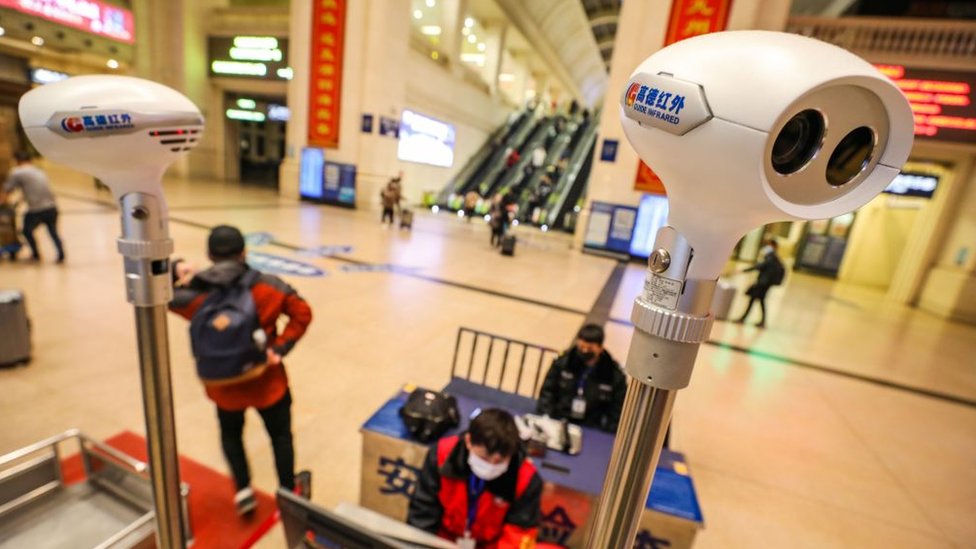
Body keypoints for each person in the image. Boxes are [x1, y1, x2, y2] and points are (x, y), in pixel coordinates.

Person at [168, 225, 313, 516]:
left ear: (209, 254)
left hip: (222, 386)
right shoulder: (268, 286)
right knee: (280, 437)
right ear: (244, 252)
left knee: (231, 434)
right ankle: (287, 496)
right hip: (267, 382)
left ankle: (244, 490)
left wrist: (174, 268)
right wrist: (280, 348)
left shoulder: (196, 295)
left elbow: (156, 291)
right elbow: (302, 312)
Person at [408, 408, 542, 549]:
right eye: (484, 458)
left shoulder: (526, 479)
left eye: (499, 461)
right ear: (468, 441)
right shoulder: (442, 455)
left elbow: (518, 533)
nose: (491, 466)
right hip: (442, 540)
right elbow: (423, 511)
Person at [536, 324, 627, 433]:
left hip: (592, 426)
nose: (584, 351)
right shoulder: (563, 362)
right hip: (559, 419)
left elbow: (617, 409)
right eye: (581, 347)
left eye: (589, 348)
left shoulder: (613, 375)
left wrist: (606, 432)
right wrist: (547, 418)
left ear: (600, 348)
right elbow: (547, 391)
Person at [0, 151, 65, 263]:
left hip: (37, 210)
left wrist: (2, 203)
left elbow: (7, 190)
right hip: (52, 207)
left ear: (17, 161)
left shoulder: (17, 172)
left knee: (26, 230)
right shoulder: (38, 170)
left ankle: (36, 254)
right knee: (53, 231)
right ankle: (61, 254)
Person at [734, 239, 785, 328]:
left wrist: (744, 270)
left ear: (773, 246)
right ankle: (759, 321)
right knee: (759, 300)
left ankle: (745, 319)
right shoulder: (773, 257)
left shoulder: (771, 257)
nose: (766, 247)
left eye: (768, 245)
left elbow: (760, 266)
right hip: (765, 283)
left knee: (754, 299)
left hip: (763, 283)